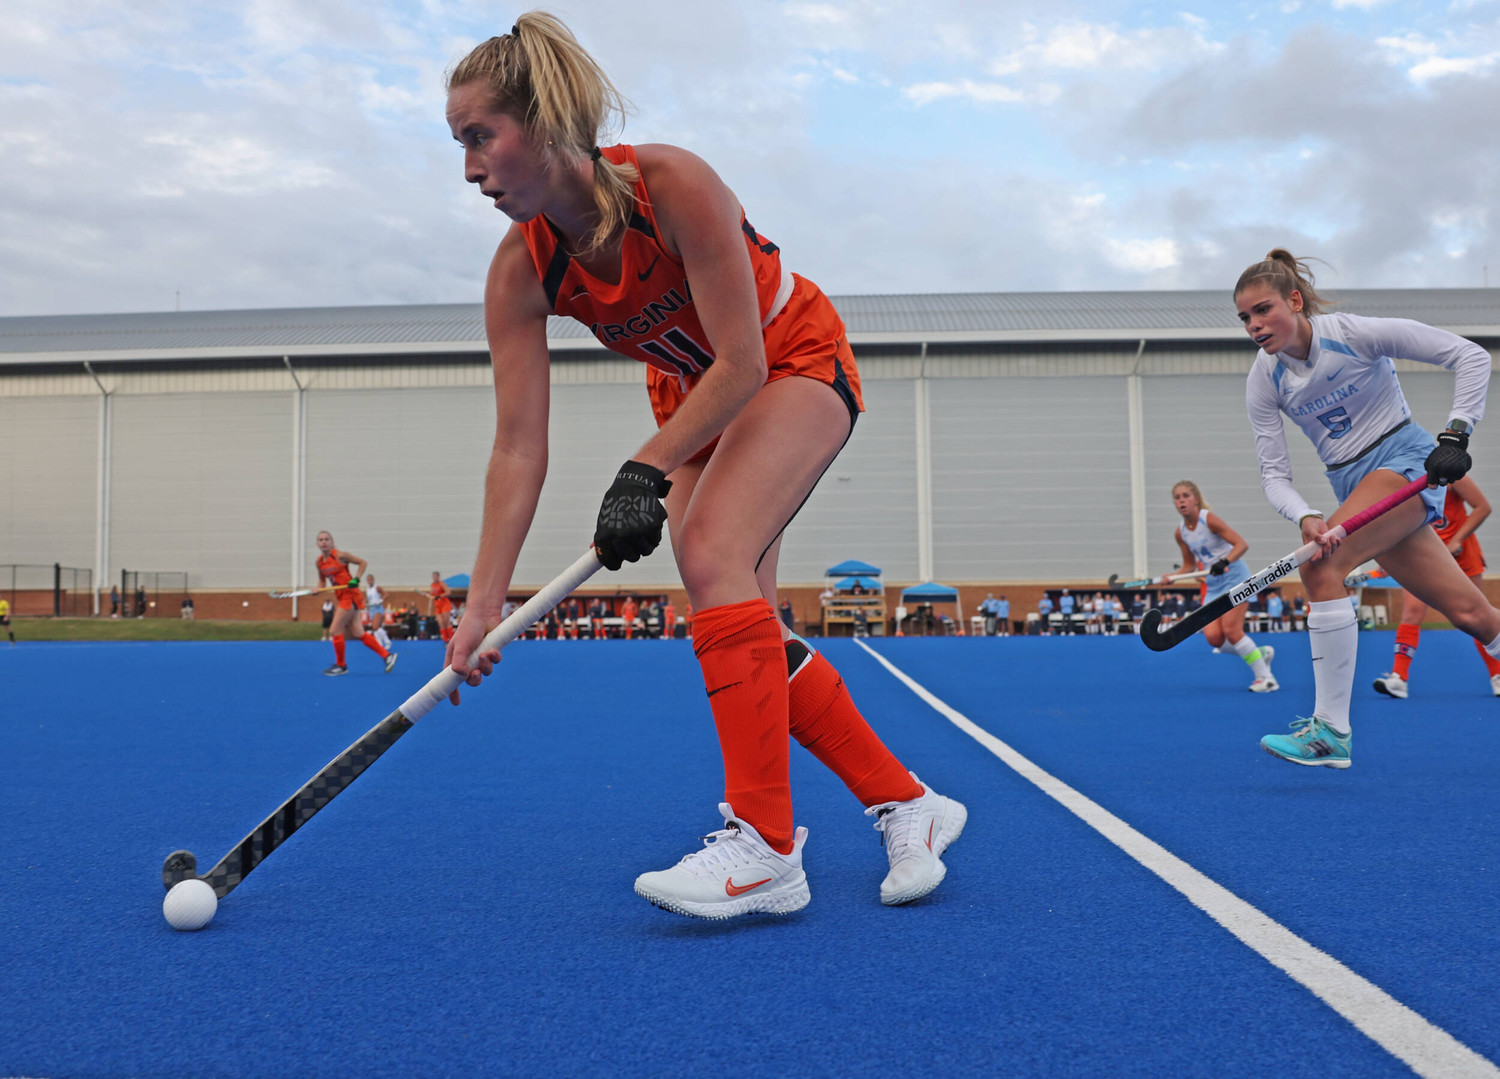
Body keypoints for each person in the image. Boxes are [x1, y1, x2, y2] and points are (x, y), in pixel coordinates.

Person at [441, 13, 964, 919]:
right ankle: (907, 800)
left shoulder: (672, 185)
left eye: (481, 137)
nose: (469, 168)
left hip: (788, 358)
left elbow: (743, 362)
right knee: (745, 620)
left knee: (711, 552)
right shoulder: (518, 274)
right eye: (459, 145)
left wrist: (643, 469)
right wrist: (483, 601)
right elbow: (518, 445)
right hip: (692, 399)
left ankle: (765, 847)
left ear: (548, 120)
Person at [1236, 249, 1500, 767]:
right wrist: (1305, 515)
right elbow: (1274, 475)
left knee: (1319, 567)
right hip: (1352, 485)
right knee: (1473, 616)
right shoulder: (1264, 380)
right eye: (1245, 317)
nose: (1254, 325)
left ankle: (1331, 730)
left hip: (1402, 462)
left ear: (1295, 301)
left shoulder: (1352, 333)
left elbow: (1471, 357)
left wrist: (1457, 433)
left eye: (1263, 309)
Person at [1373, 476, 1500, 699]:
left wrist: (1458, 539)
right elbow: (1396, 521)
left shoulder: (1453, 475)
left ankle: (1497, 675)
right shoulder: (1402, 478)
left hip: (1462, 553)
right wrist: (1389, 555)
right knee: (1412, 612)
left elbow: (1483, 507)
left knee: (1479, 614)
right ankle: (1399, 678)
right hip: (1425, 556)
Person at [1171, 480, 1277, 692]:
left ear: (1196, 499)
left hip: (1235, 578)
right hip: (1213, 586)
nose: (1181, 500)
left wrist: (1225, 561)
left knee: (1232, 630)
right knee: (1214, 638)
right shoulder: (1180, 533)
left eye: (1186, 496)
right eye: (1177, 497)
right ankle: (1259, 653)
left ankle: (1265, 678)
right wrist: (1173, 577)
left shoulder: (1208, 519)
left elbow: (1241, 544)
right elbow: (1189, 565)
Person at [315, 530, 397, 676]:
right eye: (321, 540)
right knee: (358, 632)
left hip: (350, 596)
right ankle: (387, 656)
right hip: (342, 597)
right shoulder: (319, 562)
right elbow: (322, 581)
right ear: (317, 543)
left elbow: (362, 563)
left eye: (327, 539)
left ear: (332, 542)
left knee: (334, 630)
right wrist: (317, 589)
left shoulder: (340, 555)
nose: (324, 542)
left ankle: (341, 665)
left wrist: (357, 579)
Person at [365, 574, 393, 651]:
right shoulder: (367, 589)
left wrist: (380, 600)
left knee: (375, 626)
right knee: (376, 629)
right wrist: (365, 603)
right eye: (368, 580)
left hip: (377, 608)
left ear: (373, 580)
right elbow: (369, 599)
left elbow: (386, 594)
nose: (370, 581)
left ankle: (387, 641)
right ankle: (379, 644)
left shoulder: (377, 587)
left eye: (371, 579)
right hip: (371, 609)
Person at [428, 572, 455, 644]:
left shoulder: (441, 584)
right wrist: (428, 594)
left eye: (436, 576)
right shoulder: (432, 585)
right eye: (433, 576)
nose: (434, 578)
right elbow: (432, 594)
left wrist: (440, 596)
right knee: (441, 623)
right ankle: (445, 640)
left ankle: (452, 640)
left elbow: (448, 592)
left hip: (445, 605)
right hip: (438, 606)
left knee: (446, 623)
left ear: (438, 576)